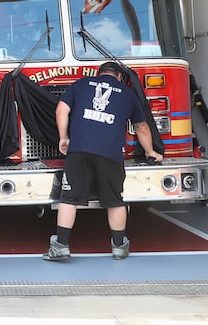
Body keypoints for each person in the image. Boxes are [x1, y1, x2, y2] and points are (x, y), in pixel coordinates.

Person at [43, 61, 163, 261]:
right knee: (115, 200)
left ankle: (61, 246)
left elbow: (61, 110)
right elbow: (141, 127)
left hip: (79, 149)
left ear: (99, 75)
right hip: (111, 153)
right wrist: (150, 151)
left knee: (69, 198)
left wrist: (64, 138)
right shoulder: (127, 93)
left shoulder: (81, 84)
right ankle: (119, 247)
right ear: (118, 77)